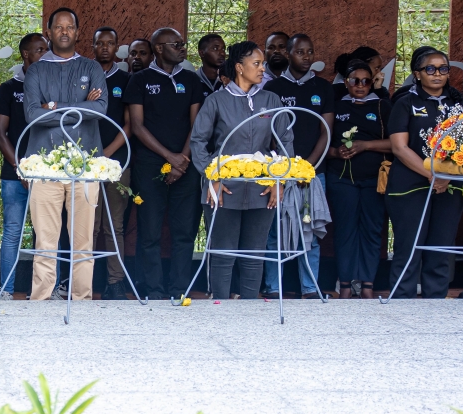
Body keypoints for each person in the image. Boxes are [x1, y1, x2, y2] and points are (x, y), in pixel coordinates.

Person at [190, 42, 291, 298]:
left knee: (254, 255)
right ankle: (220, 308)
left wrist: (279, 180)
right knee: (223, 253)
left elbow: (285, 142)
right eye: (256, 64)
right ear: (239, 68)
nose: (262, 69)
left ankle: (249, 312)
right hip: (224, 187)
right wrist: (211, 177)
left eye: (263, 64)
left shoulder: (271, 99)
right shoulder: (216, 100)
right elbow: (198, 142)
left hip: (262, 187)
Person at [23, 7, 107, 301]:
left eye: (70, 26)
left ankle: (81, 300)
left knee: (83, 242)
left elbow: (101, 109)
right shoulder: (36, 70)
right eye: (58, 27)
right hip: (44, 167)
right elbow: (33, 115)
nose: (64, 31)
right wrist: (80, 105)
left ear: (77, 32)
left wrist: (55, 109)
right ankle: (41, 300)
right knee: (45, 242)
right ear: (49, 31)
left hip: (84, 167)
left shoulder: (92, 68)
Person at [124, 27, 206, 300]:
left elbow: (197, 125)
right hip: (149, 165)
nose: (182, 48)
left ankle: (179, 289)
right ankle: (153, 291)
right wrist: (168, 158)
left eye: (183, 44)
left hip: (187, 166)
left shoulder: (192, 80)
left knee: (184, 231)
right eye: (176, 44)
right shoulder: (140, 80)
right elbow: (136, 125)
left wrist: (182, 160)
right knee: (149, 231)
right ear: (159, 49)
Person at [385, 47, 463, 299]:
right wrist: (433, 174)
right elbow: (399, 147)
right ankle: (402, 304)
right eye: (430, 69)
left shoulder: (459, 104)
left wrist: (447, 176)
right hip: (411, 184)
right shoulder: (405, 102)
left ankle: (435, 305)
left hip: (450, 185)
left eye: (443, 69)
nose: (437, 74)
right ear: (417, 74)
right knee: (408, 248)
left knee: (441, 248)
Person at [261, 32, 334, 298]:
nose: (306, 57)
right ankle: (272, 287)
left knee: (309, 231)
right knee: (273, 233)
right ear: (288, 54)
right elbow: (267, 133)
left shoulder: (324, 88)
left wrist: (308, 167)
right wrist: (284, 168)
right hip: (279, 172)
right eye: (300, 52)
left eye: (310, 52)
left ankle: (310, 288)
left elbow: (326, 131)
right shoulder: (273, 89)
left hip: (313, 173)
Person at [326, 59, 391, 299]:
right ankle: (344, 285)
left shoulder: (383, 106)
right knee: (345, 231)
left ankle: (367, 286)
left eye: (366, 81)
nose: (361, 85)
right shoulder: (336, 106)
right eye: (355, 81)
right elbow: (324, 137)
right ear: (346, 82)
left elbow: (396, 143)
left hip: (375, 179)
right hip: (341, 178)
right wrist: (335, 152)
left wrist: (366, 145)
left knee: (372, 230)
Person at [0, 33, 48, 300]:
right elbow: (0, 134)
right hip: (15, 175)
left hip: (48, 174)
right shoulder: (8, 88)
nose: (45, 54)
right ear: (25, 54)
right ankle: (6, 290)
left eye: (46, 50)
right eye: (39, 50)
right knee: (13, 232)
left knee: (47, 234)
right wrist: (20, 167)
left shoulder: (53, 88)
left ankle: (44, 291)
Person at [91, 27, 132, 300]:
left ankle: (116, 282)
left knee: (114, 225)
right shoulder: (84, 75)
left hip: (117, 162)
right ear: (92, 46)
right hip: (86, 163)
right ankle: (82, 280)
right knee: (88, 225)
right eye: (100, 43)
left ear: (117, 47)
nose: (105, 47)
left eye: (110, 43)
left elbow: (130, 124)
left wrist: (108, 151)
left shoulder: (126, 79)